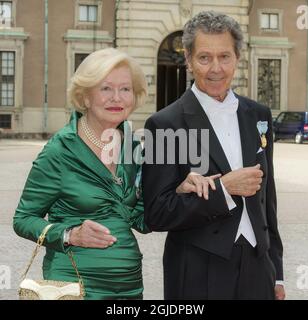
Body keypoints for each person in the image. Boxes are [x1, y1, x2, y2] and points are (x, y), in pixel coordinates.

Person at [142, 11, 285, 300]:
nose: (216, 68)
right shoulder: (162, 124)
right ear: (188, 59)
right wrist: (224, 189)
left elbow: (267, 201)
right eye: (205, 58)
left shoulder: (259, 115)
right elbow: (157, 213)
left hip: (258, 269)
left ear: (238, 57)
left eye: (225, 57)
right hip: (197, 271)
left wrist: (277, 273)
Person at [13, 48, 149, 300]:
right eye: (105, 88)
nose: (116, 97)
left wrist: (177, 188)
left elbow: (140, 219)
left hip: (129, 287)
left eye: (125, 89)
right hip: (72, 287)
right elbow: (23, 219)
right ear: (85, 97)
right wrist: (70, 234)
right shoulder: (61, 150)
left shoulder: (132, 146)